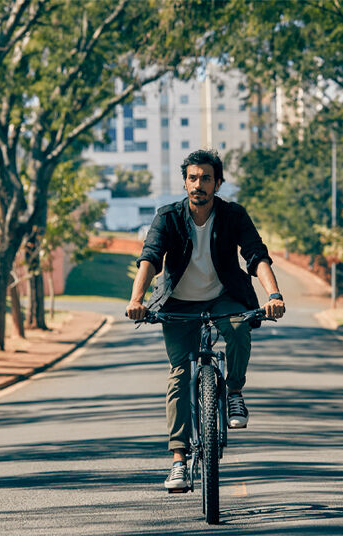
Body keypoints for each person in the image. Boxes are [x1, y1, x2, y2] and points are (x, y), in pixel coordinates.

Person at [126, 149, 286, 491]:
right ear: (185, 182)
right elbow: (150, 258)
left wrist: (273, 295)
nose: (199, 184)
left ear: (218, 183)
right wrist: (137, 299)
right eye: (193, 178)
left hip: (223, 297)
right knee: (179, 374)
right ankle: (179, 461)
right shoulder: (167, 217)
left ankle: (235, 391)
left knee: (239, 330)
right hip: (178, 303)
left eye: (206, 178)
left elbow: (256, 256)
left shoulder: (233, 215)